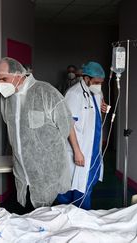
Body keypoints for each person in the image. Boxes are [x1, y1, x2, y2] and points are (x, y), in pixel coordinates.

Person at [0, 57, 73, 211]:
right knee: (27, 218)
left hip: (48, 172)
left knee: (48, 220)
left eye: (4, 79)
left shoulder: (46, 92)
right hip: (22, 173)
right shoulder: (6, 98)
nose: (0, 85)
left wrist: (45, 152)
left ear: (18, 75)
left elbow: (66, 125)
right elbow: (11, 127)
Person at [56, 61, 108, 209]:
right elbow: (68, 124)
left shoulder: (97, 93)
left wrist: (103, 111)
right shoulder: (74, 94)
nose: (99, 86)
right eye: (96, 82)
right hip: (78, 150)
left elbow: (96, 122)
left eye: (101, 83)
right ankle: (71, 218)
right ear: (86, 78)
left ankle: (81, 218)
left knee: (87, 185)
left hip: (93, 150)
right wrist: (77, 152)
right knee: (73, 189)